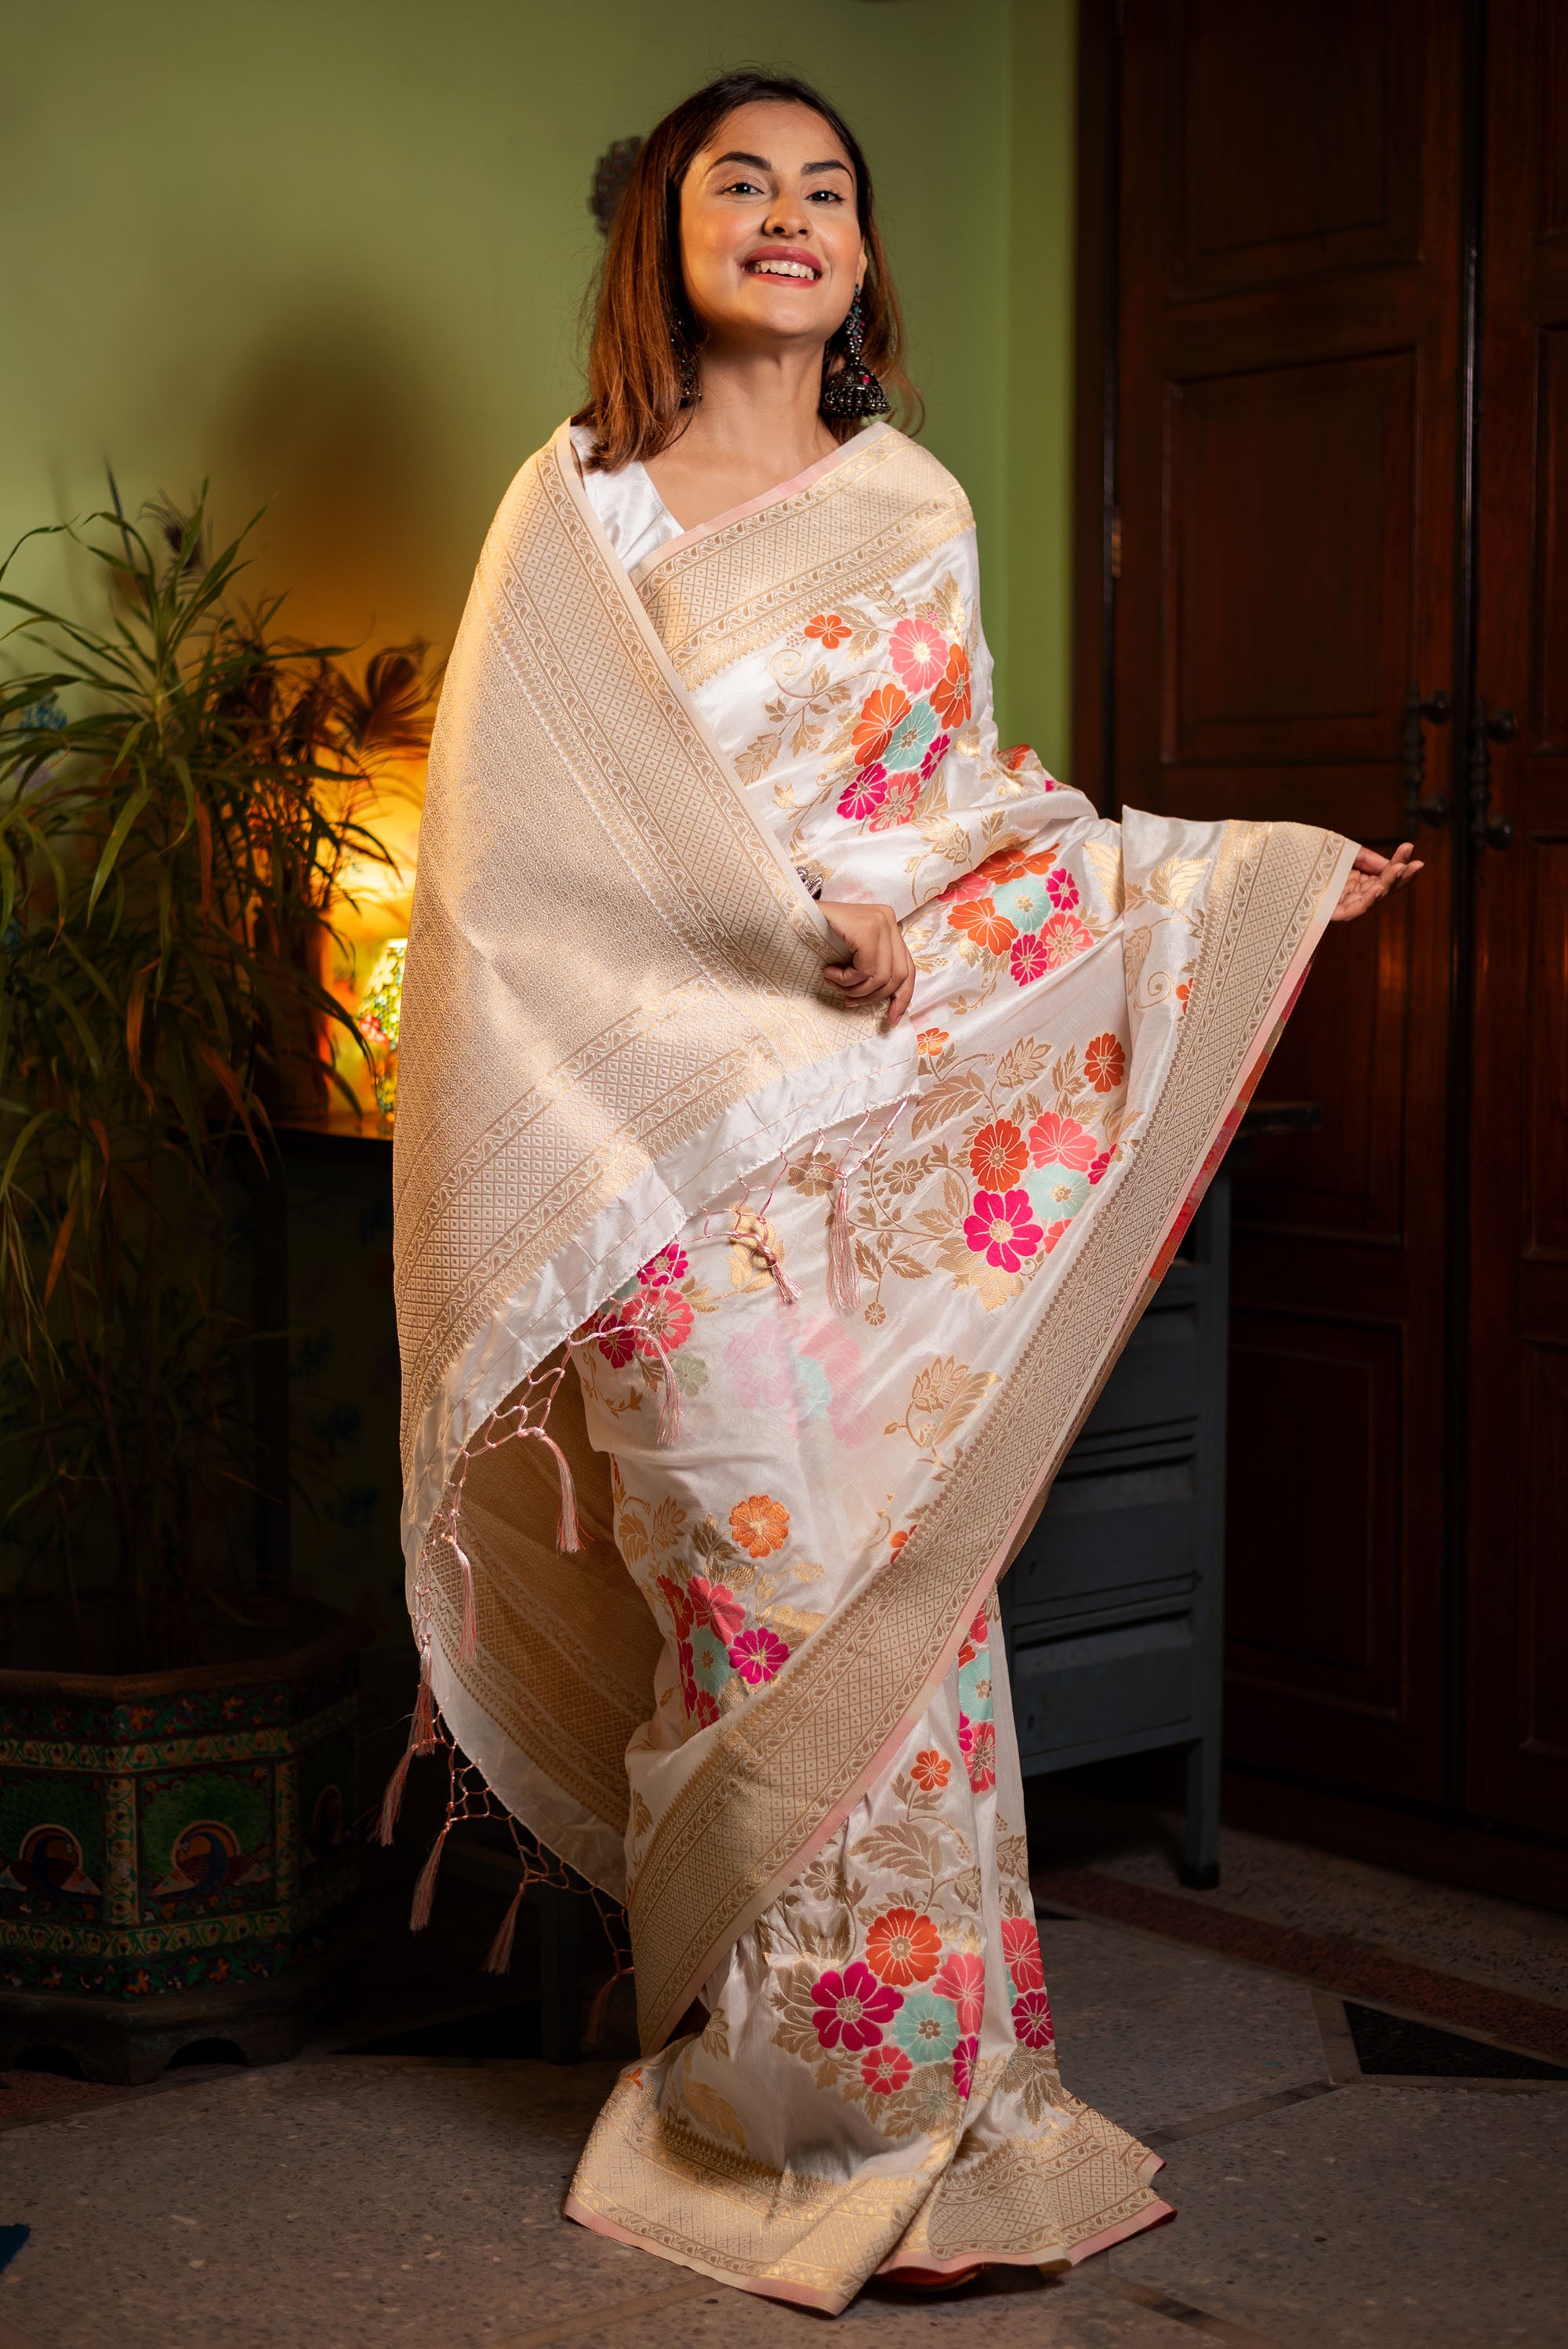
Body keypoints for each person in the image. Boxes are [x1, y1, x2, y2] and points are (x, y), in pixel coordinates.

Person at [387, 69, 1420, 2316]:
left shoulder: (911, 506)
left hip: (864, 1143)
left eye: (827, 191)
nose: (789, 216)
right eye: (740, 184)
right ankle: (764, 2104)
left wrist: (1231, 877)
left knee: (910, 1610)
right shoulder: (576, 517)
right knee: (747, 1598)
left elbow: (967, 817)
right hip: (660, 1158)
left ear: (862, 254)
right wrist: (775, 930)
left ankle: (923, 2099)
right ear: (664, 234)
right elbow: (512, 869)